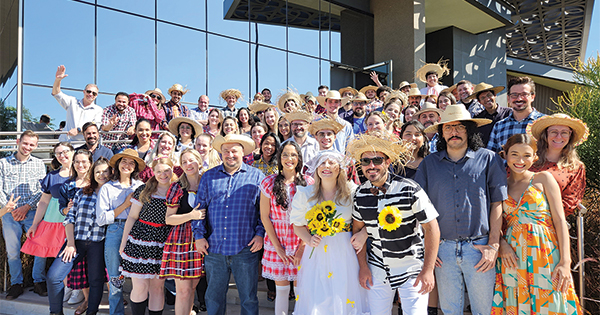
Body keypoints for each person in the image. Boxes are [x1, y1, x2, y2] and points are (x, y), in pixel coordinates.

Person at [415, 104, 507, 315]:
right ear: (441, 133)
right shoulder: (429, 164)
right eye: (448, 127)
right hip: (442, 250)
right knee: (449, 310)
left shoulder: (489, 159)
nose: (453, 132)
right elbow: (418, 207)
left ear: (469, 130)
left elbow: (497, 204)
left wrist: (493, 244)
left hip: (480, 249)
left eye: (459, 127)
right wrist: (426, 243)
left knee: (484, 311)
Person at [491, 134, 582, 314]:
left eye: (526, 155)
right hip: (512, 255)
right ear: (505, 155)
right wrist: (501, 244)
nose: (520, 160)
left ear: (535, 157)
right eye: (514, 154)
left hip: (545, 252)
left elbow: (559, 221)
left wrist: (565, 261)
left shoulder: (543, 179)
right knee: (515, 302)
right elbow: (495, 223)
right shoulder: (500, 185)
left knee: (550, 300)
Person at [349, 134, 439, 315]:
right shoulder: (360, 194)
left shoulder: (409, 189)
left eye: (377, 160)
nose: (371, 165)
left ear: (388, 162)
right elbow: (357, 230)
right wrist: (364, 267)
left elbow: (432, 228)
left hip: (411, 269)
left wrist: (428, 270)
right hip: (377, 269)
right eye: (366, 161)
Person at [192, 134, 265, 315]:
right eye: (226, 151)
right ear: (221, 153)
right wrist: (199, 236)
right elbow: (199, 210)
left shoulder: (257, 176)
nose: (230, 154)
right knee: (213, 297)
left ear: (243, 153)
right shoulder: (209, 177)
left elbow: (264, 211)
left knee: (248, 298)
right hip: (214, 248)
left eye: (234, 151)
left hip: (246, 248)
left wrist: (260, 233)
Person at [290, 150, 368, 314]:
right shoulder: (305, 193)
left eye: (332, 163)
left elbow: (371, 216)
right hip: (317, 252)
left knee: (343, 295)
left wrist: (363, 234)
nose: (326, 166)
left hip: (345, 251)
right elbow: (297, 225)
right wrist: (309, 240)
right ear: (316, 168)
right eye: (322, 163)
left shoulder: (352, 191)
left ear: (340, 168)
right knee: (318, 297)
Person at [46, 158, 112, 315]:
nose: (101, 174)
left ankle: (91, 312)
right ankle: (56, 312)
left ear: (110, 173)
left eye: (105, 171)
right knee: (54, 277)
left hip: (98, 243)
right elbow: (69, 218)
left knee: (96, 281)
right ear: (92, 173)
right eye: (97, 171)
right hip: (76, 242)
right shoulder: (82, 193)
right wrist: (70, 243)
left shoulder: (113, 196)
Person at [120, 156, 177, 315]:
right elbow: (132, 217)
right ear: (153, 172)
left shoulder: (176, 192)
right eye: (159, 171)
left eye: (166, 170)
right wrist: (123, 243)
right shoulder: (144, 190)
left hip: (163, 243)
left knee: (157, 288)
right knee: (140, 286)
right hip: (141, 241)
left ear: (172, 170)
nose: (163, 174)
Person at [260, 142, 313, 315]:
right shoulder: (268, 182)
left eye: (293, 155)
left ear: (299, 158)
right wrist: (278, 248)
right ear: (279, 157)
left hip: (301, 242)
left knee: (300, 291)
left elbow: (313, 219)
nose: (289, 159)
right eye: (285, 155)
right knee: (281, 291)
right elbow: (264, 216)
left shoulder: (309, 182)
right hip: (277, 242)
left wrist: (302, 248)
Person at [96, 149, 145, 315]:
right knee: (115, 278)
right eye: (124, 161)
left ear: (135, 167)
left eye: (131, 162)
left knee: (142, 275)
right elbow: (101, 219)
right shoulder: (107, 188)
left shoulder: (141, 186)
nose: (127, 165)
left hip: (138, 230)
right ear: (117, 164)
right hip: (115, 229)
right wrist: (124, 205)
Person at [0, 130, 47, 299]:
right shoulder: (3, 163)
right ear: (18, 141)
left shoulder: (39, 164)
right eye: (25, 143)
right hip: (9, 214)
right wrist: (9, 208)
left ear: (36, 146)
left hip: (31, 211)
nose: (28, 147)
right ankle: (16, 283)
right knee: (12, 251)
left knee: (40, 246)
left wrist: (27, 207)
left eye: (32, 145)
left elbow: (42, 190)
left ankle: (38, 280)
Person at [161, 149, 207, 314]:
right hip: (182, 239)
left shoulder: (207, 181)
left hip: (203, 239)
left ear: (199, 162)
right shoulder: (177, 186)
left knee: (192, 287)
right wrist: (191, 215)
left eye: (192, 160)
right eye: (185, 161)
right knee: (183, 290)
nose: (189, 164)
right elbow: (169, 219)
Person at [23, 142, 75, 263]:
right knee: (62, 259)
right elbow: (43, 202)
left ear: (73, 152)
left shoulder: (83, 173)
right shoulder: (51, 176)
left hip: (77, 222)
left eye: (65, 151)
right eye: (58, 153)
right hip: (56, 222)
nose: (62, 155)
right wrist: (35, 224)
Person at [528, 114, 589, 217]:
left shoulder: (576, 167)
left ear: (570, 136)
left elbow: (570, 203)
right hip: (516, 217)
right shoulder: (528, 158)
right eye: (554, 132)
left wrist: (539, 215)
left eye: (564, 133)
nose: (559, 136)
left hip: (550, 222)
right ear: (545, 135)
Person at [58, 149, 94, 312]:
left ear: (90, 163)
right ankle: (86, 300)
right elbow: (62, 210)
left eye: (84, 161)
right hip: (76, 232)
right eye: (77, 161)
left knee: (102, 268)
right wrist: (67, 209)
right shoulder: (67, 185)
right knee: (80, 267)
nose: (81, 165)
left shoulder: (98, 182)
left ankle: (116, 296)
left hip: (97, 232)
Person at [487, 76, 545, 153]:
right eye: (514, 95)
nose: (519, 99)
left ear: (532, 97)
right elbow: (490, 157)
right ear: (508, 98)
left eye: (524, 94)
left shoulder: (544, 123)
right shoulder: (499, 126)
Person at [52, 65, 103, 142]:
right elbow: (56, 94)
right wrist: (58, 80)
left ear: (96, 96)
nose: (91, 94)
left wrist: (78, 130)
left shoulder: (98, 110)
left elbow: (95, 126)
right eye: (89, 91)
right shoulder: (72, 101)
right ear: (84, 91)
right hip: (65, 142)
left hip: (82, 145)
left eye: (94, 93)